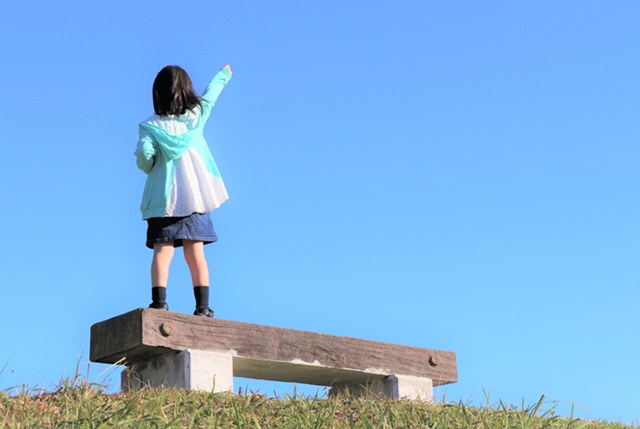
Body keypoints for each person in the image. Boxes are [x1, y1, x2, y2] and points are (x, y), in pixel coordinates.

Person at [134, 64, 232, 317]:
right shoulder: (196, 116)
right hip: (195, 197)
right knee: (195, 251)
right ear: (186, 90)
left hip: (164, 199)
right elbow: (210, 96)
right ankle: (203, 307)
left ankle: (159, 303)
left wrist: (149, 167)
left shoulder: (150, 126)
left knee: (162, 251)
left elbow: (145, 155)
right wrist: (223, 75)